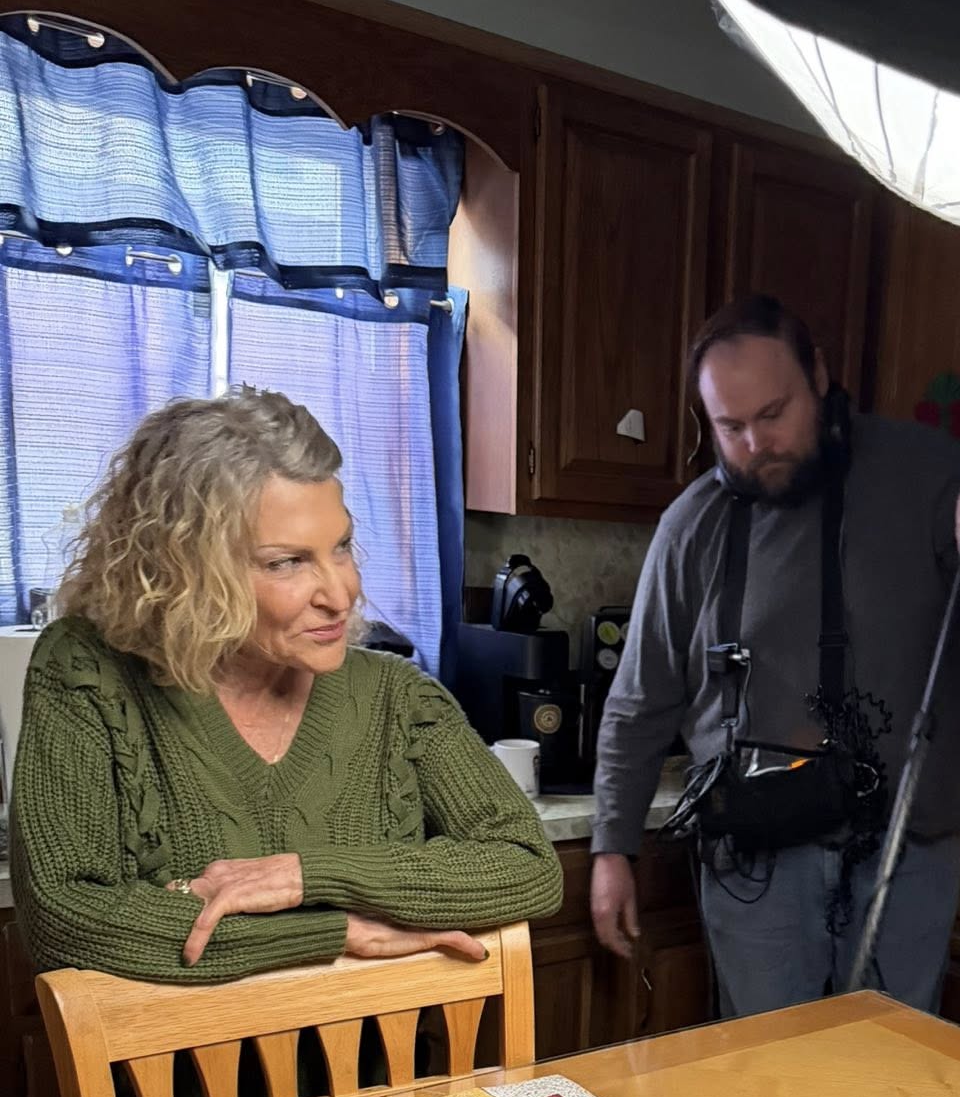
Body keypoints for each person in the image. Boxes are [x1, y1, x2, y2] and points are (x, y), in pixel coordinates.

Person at [589, 293, 960, 1015]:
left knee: (894, 1064)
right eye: (731, 427)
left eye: (774, 414)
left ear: (819, 374)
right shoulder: (691, 527)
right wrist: (612, 850)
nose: (755, 443)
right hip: (757, 858)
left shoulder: (933, 476)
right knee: (769, 1066)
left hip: (905, 842)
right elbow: (639, 701)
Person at [13, 388, 562, 985]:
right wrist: (334, 933)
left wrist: (302, 876)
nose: (341, 593)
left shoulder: (398, 697)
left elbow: (529, 867)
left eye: (341, 547)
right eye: (287, 562)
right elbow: (64, 917)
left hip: (391, 1050)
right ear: (186, 569)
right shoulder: (87, 672)